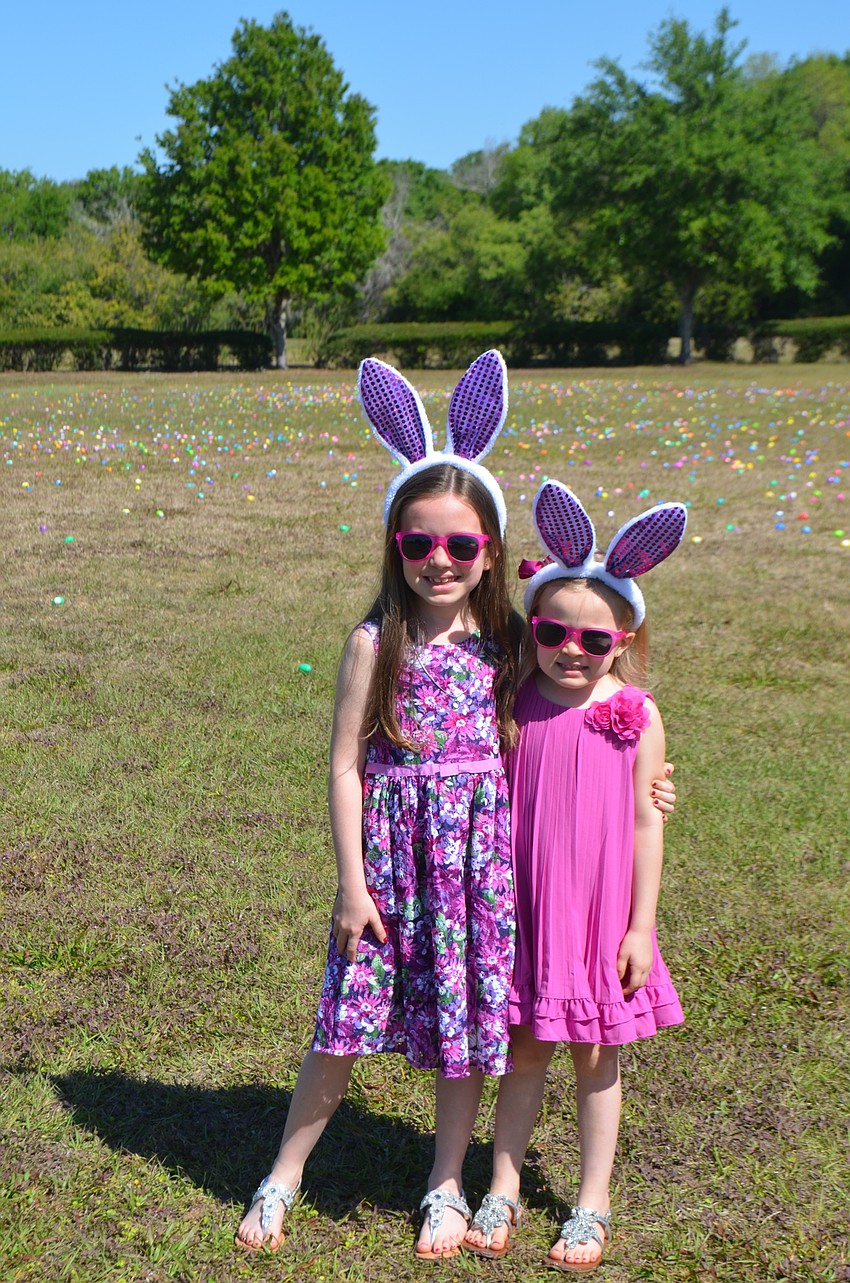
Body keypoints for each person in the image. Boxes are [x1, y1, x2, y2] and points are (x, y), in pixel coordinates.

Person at [234, 359, 678, 1262]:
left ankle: (446, 1181)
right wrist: (353, 882)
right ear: (394, 544)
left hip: (478, 866)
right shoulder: (373, 641)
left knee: (471, 1031)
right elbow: (347, 764)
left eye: (462, 546)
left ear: (488, 549)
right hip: (392, 863)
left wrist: (651, 776)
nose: (439, 561)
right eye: (418, 543)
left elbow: (579, 706)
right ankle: (283, 1172)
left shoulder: (512, 642)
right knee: (344, 1019)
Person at [463, 481, 686, 1273]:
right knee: (523, 1048)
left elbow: (643, 821)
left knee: (597, 1057)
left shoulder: (636, 712)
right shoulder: (512, 699)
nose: (572, 649)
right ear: (535, 628)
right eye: (553, 630)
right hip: (524, 908)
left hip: (599, 915)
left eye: (594, 639)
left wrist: (640, 924)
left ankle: (592, 1202)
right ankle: (502, 1181)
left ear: (622, 638)